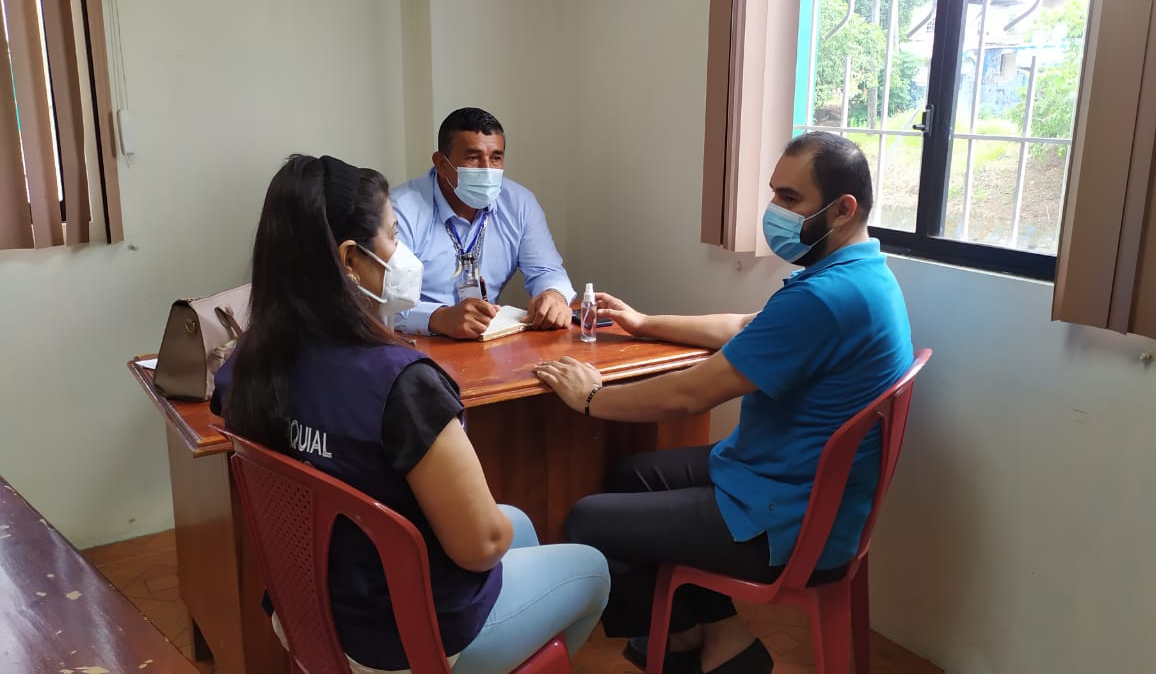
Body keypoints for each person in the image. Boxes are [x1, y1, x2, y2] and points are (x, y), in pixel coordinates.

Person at [533, 132, 913, 674]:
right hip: (790, 480)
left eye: (790, 198)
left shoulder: (826, 299)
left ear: (843, 209)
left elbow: (691, 392)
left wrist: (593, 397)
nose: (774, 210)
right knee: (631, 474)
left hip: (789, 516)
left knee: (589, 521)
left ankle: (685, 646)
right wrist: (644, 322)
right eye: (774, 193)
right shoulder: (862, 275)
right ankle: (714, 640)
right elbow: (742, 327)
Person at [214, 154, 609, 674]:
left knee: (519, 527)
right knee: (589, 566)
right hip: (400, 637)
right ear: (351, 259)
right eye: (394, 236)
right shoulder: (401, 383)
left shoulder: (245, 364)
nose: (403, 253)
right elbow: (482, 545)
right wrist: (490, 523)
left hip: (307, 606)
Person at [391, 107, 575, 339]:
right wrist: (438, 318)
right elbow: (378, 300)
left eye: (496, 158)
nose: (487, 169)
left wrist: (553, 294)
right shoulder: (399, 210)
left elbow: (547, 270)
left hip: (486, 339)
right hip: (417, 342)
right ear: (441, 164)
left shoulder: (519, 203)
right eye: (473, 158)